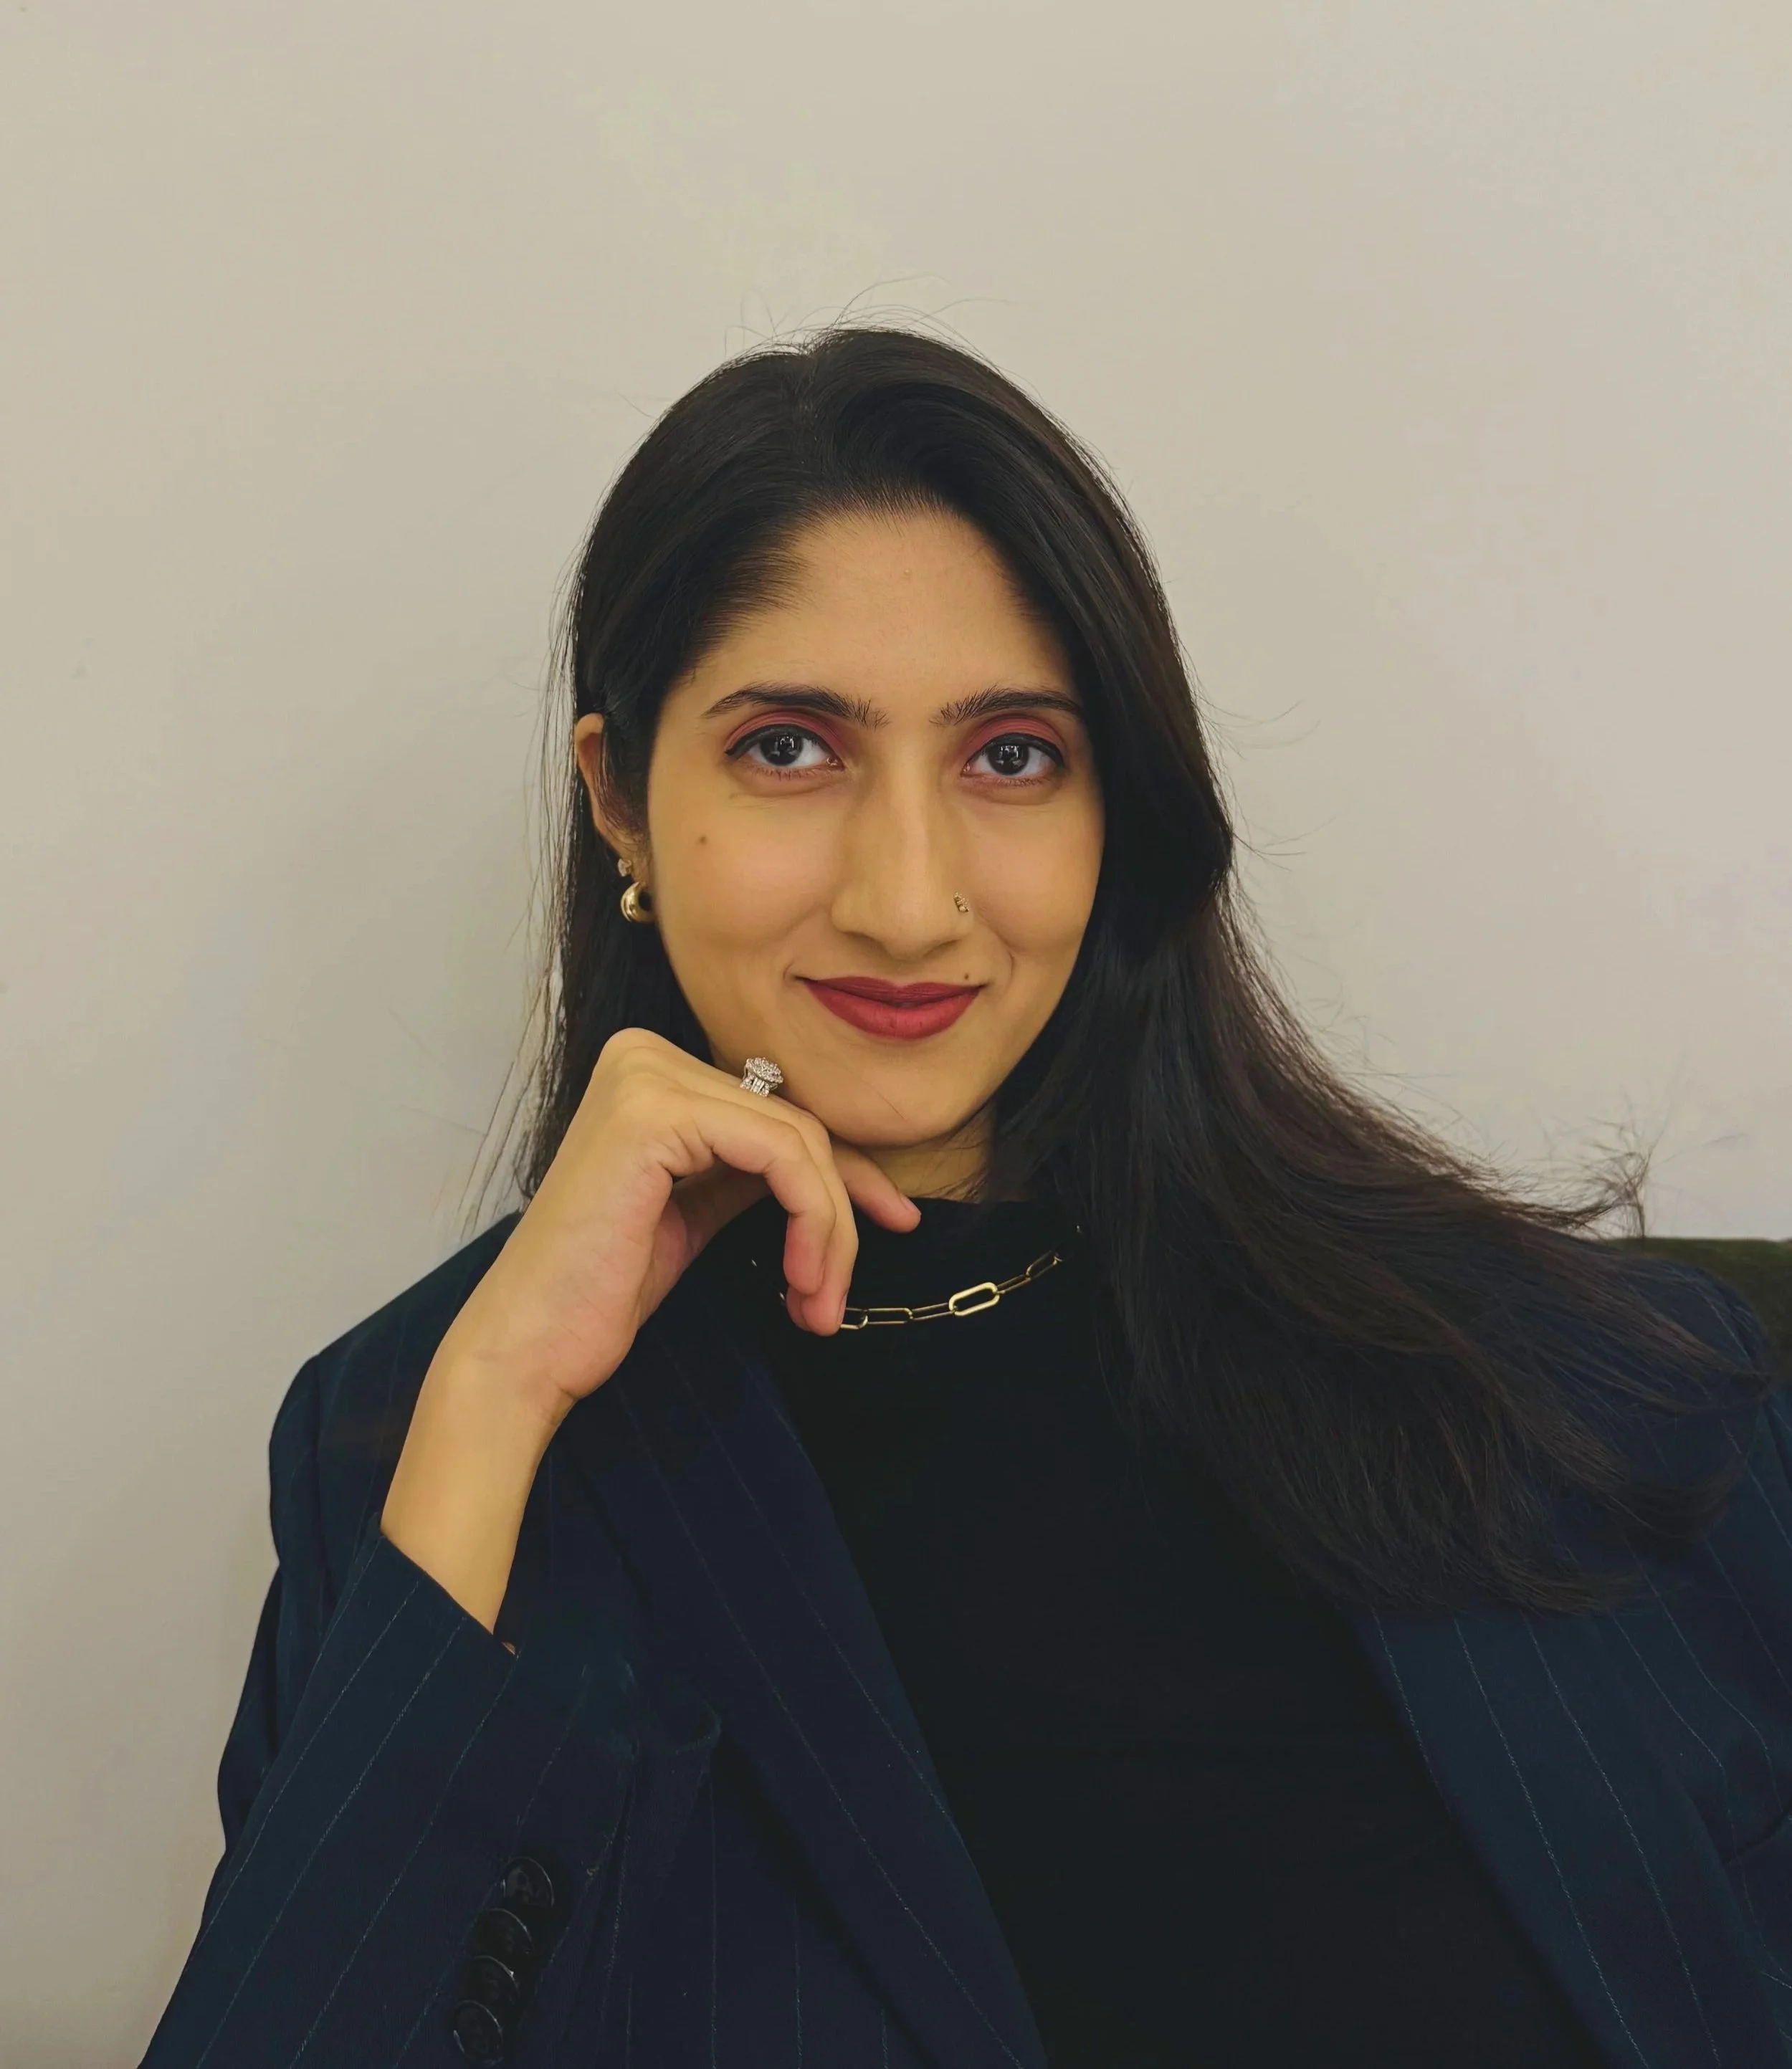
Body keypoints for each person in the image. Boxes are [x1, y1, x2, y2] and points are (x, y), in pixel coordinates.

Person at [142, 325, 1791, 2069]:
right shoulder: (414, 1450)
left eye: (1010, 756)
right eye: (790, 749)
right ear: (621, 798)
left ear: (1115, 810)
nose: (910, 905)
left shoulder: (1601, 1379)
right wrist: (492, 1405)